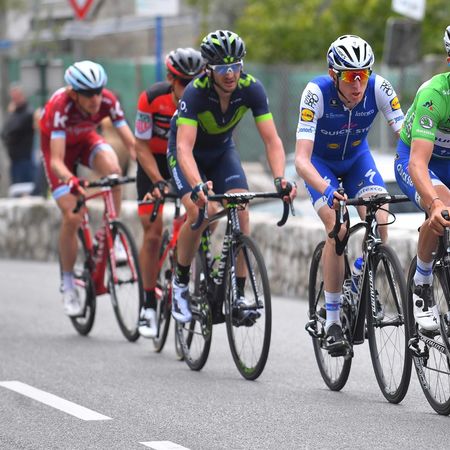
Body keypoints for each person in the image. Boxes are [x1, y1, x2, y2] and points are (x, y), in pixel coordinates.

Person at [167, 29, 297, 323]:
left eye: (235, 66)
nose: (230, 74)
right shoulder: (195, 93)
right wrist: (197, 185)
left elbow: (272, 140)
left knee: (241, 207)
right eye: (222, 68)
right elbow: (184, 148)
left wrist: (280, 179)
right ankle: (180, 284)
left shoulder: (251, 89)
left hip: (222, 151)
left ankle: (238, 294)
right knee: (198, 211)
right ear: (208, 69)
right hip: (187, 153)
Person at [295, 35, 405, 352]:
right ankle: (332, 320)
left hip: (357, 160)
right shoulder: (316, 93)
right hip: (321, 165)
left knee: (381, 219)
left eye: (363, 74)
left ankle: (358, 277)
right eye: (349, 76)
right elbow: (301, 160)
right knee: (339, 230)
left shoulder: (380, 88)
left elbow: (408, 137)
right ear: (334, 74)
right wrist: (327, 189)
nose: (357, 84)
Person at [39, 60, 135, 317]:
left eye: (99, 91)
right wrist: (71, 180)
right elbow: (57, 161)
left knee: (114, 173)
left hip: (85, 141)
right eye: (88, 93)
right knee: (72, 216)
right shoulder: (60, 107)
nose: (95, 98)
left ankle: (114, 235)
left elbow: (131, 143)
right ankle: (68, 283)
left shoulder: (107, 100)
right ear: (74, 93)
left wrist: (150, 168)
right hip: (59, 154)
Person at [134, 48, 204, 338]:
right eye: (183, 82)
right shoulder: (151, 98)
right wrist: (157, 180)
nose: (189, 88)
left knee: (200, 215)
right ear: (170, 80)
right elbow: (139, 146)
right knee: (152, 234)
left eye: (194, 81)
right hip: (154, 162)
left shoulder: (202, 98)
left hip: (185, 159)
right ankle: (148, 304)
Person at [394, 25, 450, 332]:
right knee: (443, 209)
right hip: (416, 160)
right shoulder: (435, 94)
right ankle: (422, 283)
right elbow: (417, 162)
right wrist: (434, 202)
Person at [1, 83, 36, 189]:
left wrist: (12, 114)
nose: (15, 100)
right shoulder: (15, 113)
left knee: (26, 189)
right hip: (14, 159)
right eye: (13, 98)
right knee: (15, 189)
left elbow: (13, 129)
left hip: (25, 159)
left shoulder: (28, 112)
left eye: (17, 97)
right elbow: (4, 132)